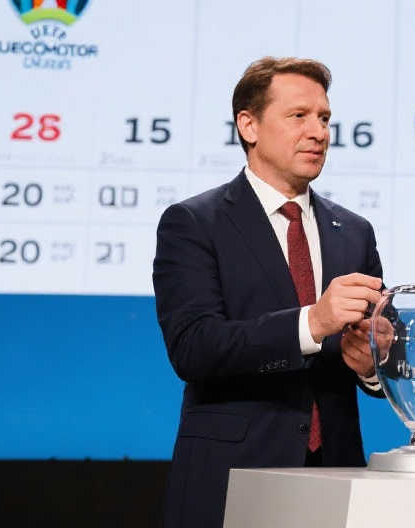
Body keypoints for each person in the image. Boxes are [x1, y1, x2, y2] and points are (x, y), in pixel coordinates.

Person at [153, 57, 384, 528]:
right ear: (249, 125)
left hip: (335, 475)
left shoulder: (354, 232)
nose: (318, 132)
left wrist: (374, 364)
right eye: (298, 116)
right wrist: (311, 323)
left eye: (324, 118)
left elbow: (376, 358)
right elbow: (194, 348)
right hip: (232, 475)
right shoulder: (195, 223)